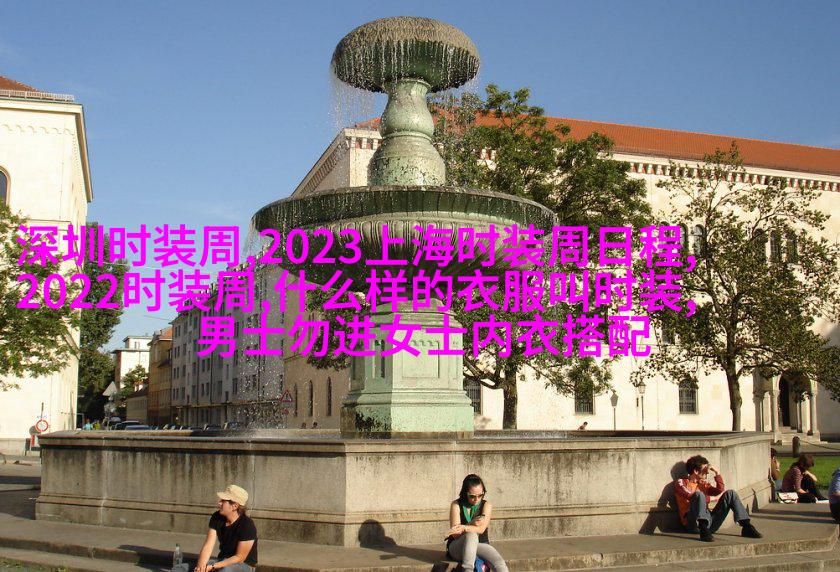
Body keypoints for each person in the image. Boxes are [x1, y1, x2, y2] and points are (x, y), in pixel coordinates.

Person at [674, 455, 762, 542]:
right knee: (698, 495)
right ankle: (703, 529)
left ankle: (746, 526)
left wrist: (717, 473)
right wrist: (712, 499)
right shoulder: (681, 482)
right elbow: (690, 496)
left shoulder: (703, 484)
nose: (707, 472)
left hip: (709, 523)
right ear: (696, 471)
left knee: (730, 493)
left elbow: (719, 490)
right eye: (705, 470)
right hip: (692, 523)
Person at [173, 484, 258, 572]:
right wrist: (200, 568)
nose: (219, 503)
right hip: (222, 560)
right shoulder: (217, 517)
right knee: (179, 568)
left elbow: (239, 558)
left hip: (243, 565)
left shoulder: (247, 525)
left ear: (235, 506)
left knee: (224, 570)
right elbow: (208, 546)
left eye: (223, 501)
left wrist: (213, 566)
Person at [445, 474, 508, 572]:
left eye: (480, 495)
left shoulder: (486, 505)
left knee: (499, 563)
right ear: (465, 493)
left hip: (481, 544)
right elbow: (456, 534)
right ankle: (468, 570)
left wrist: (464, 527)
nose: (477, 499)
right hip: (458, 547)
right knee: (471, 535)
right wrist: (471, 523)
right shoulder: (456, 505)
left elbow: (481, 529)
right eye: (472, 496)